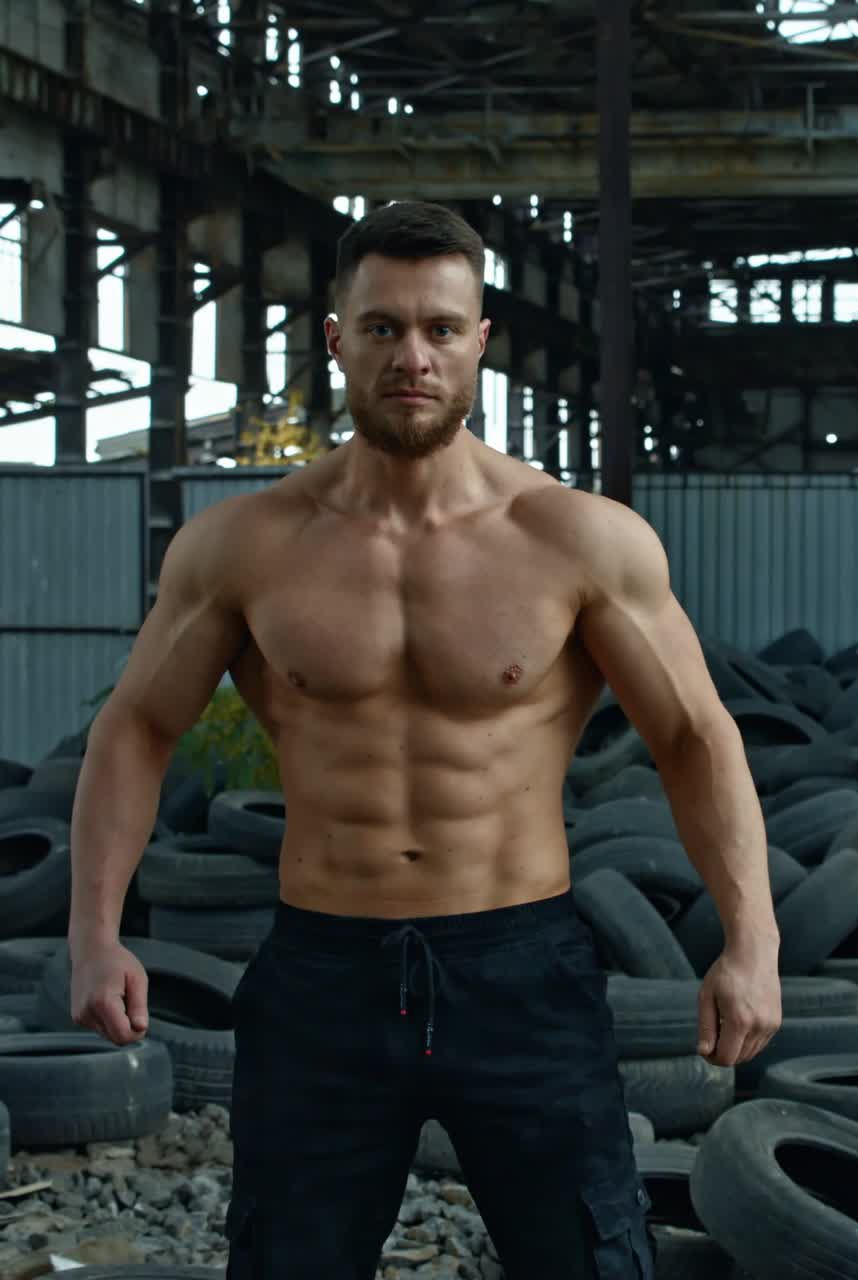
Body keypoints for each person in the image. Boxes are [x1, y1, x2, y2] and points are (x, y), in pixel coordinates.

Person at [65, 200, 782, 1279]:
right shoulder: (242, 546)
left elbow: (691, 733)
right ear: (335, 336)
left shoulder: (574, 537)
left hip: (519, 971)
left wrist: (752, 939)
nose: (413, 355)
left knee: (591, 1261)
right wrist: (93, 930)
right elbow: (136, 725)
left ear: (481, 341)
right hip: (323, 974)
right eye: (384, 326)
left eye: (441, 329)